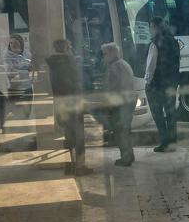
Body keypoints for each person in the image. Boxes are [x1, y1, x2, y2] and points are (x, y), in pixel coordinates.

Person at [46, 39, 91, 175]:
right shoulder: (69, 62)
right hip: (73, 103)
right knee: (79, 137)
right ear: (65, 48)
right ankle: (80, 167)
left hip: (61, 103)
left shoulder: (52, 63)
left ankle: (69, 165)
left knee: (68, 136)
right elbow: (76, 83)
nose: (71, 47)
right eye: (69, 45)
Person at [145, 16, 180, 152]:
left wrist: (148, 82)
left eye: (151, 27)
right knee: (171, 113)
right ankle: (172, 142)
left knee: (158, 114)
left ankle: (164, 142)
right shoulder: (174, 41)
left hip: (157, 85)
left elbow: (151, 65)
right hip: (171, 83)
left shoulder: (155, 44)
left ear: (154, 27)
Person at [100, 43, 136, 166]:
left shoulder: (114, 67)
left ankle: (126, 158)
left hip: (121, 103)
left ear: (111, 53)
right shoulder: (124, 64)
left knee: (120, 131)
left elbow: (113, 88)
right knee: (125, 130)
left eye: (104, 54)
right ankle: (129, 155)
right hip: (129, 100)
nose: (103, 57)